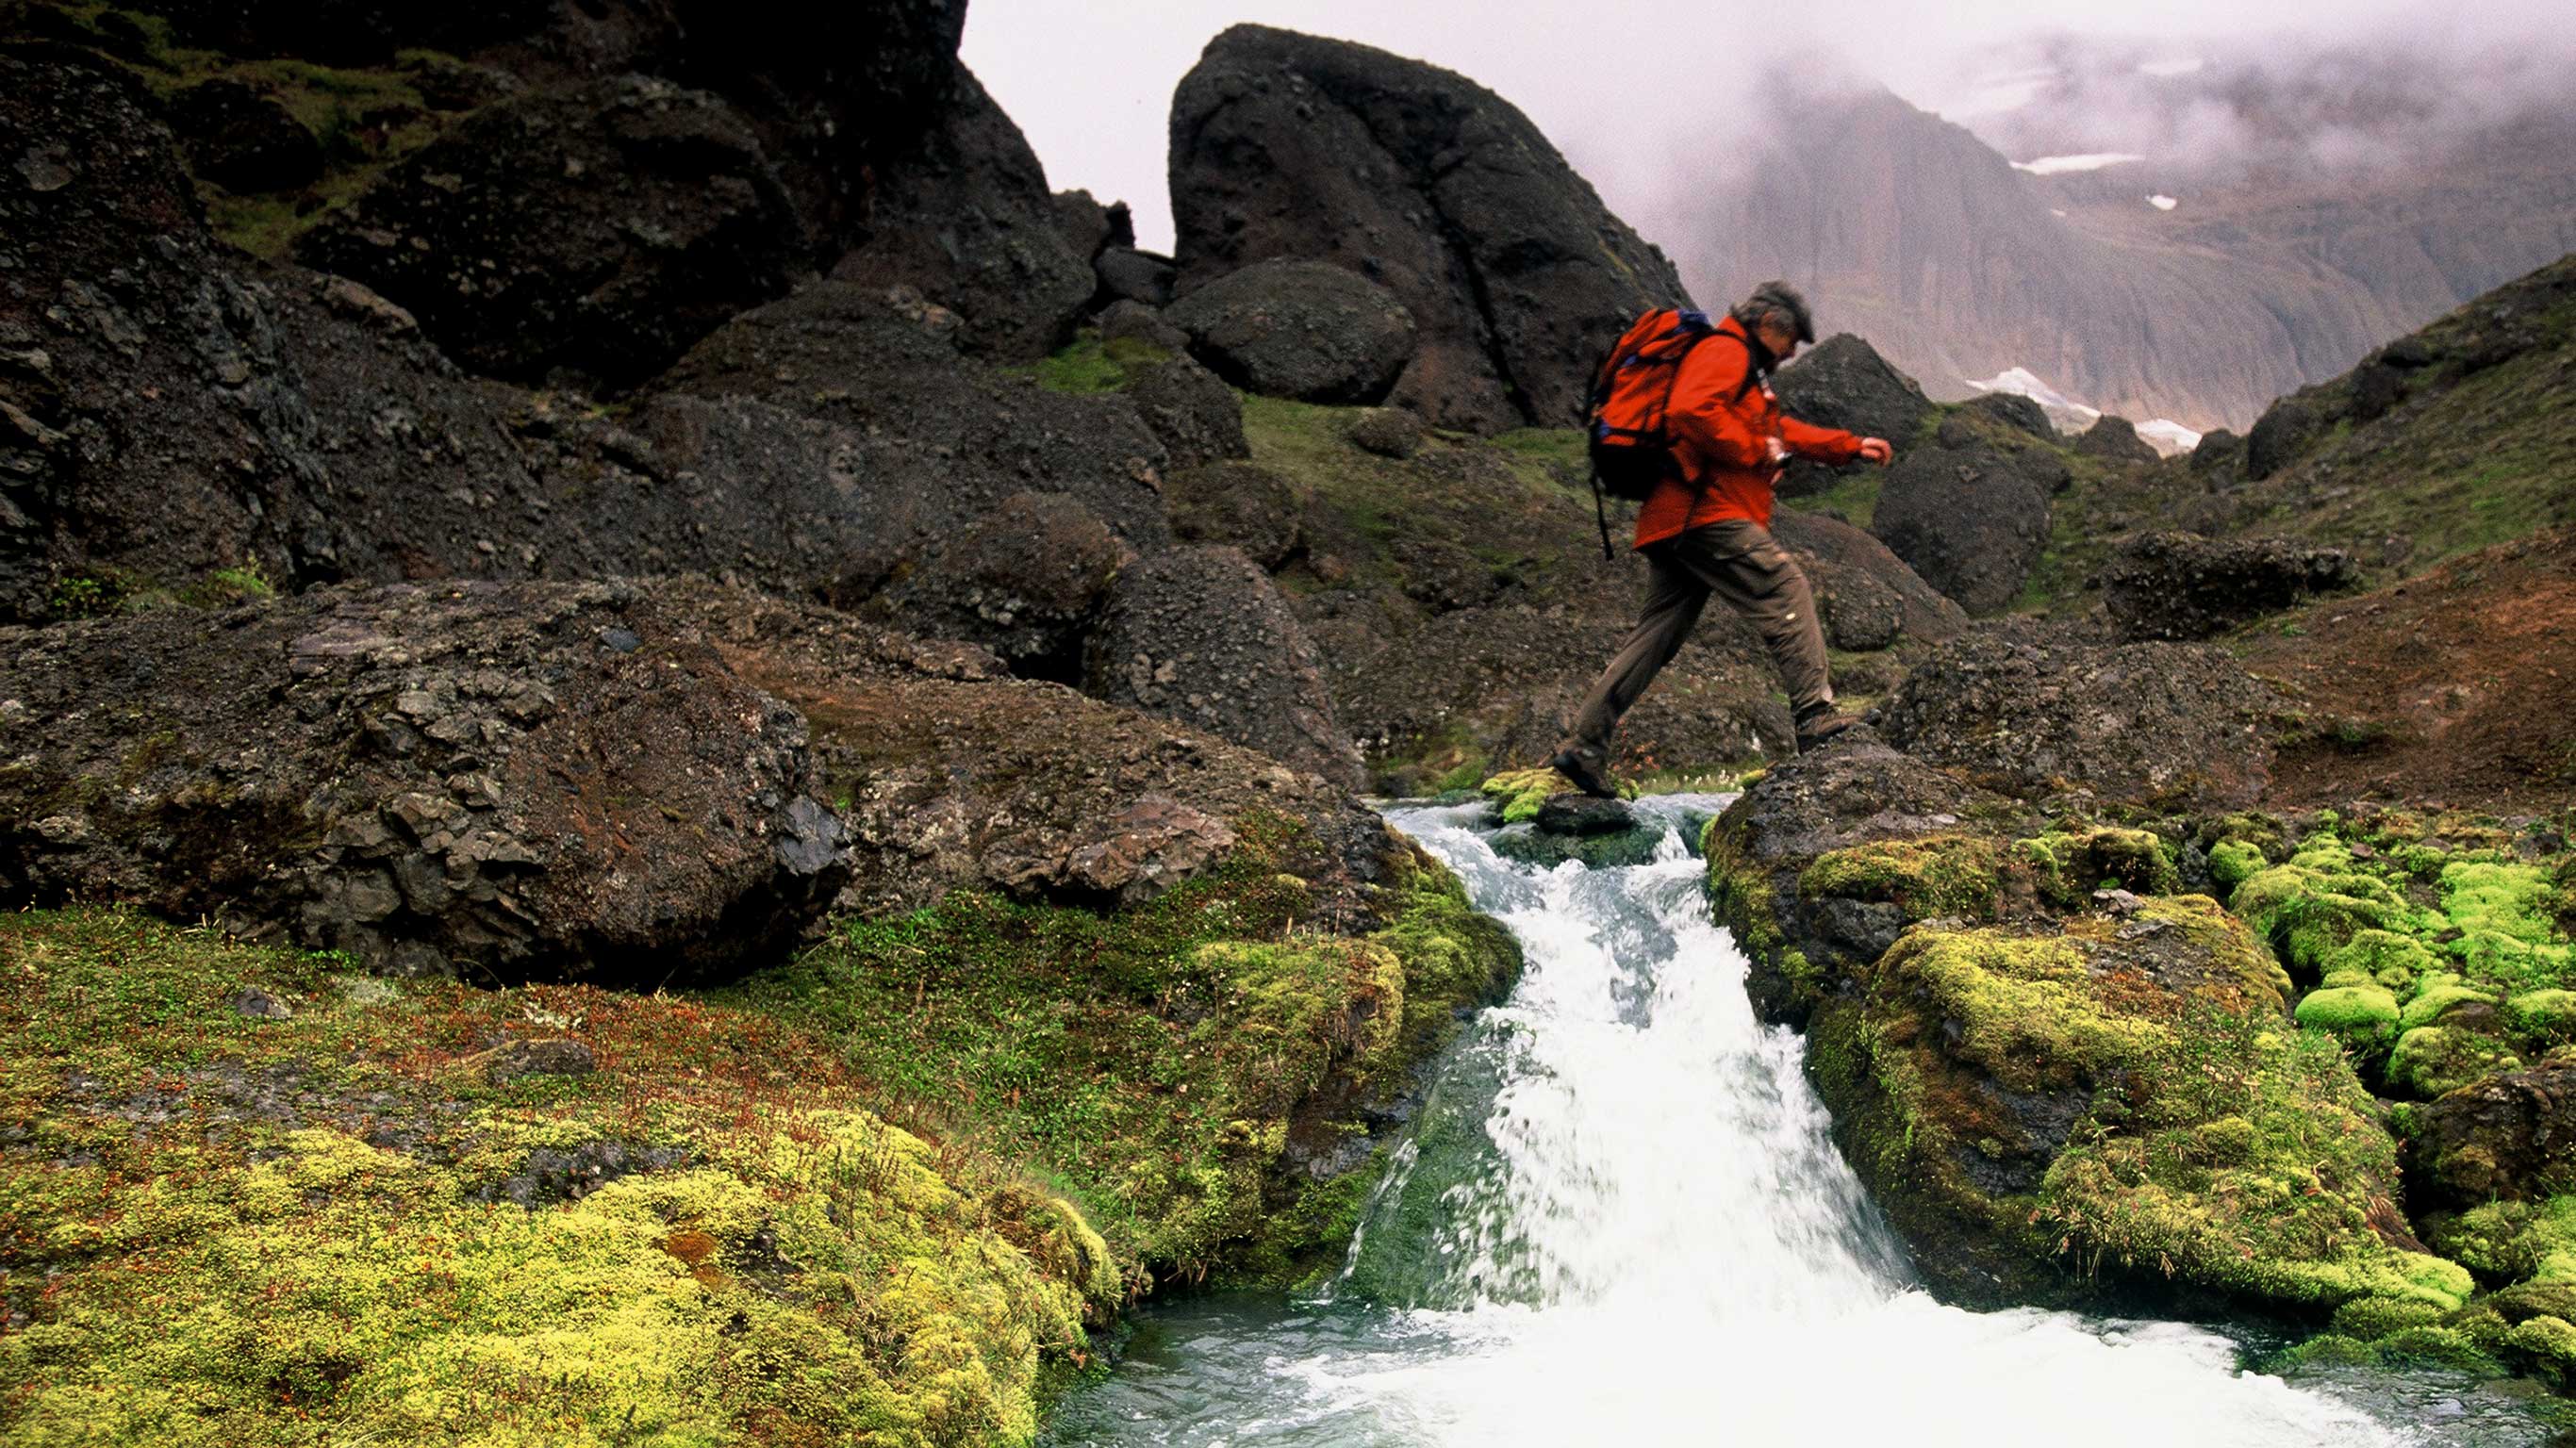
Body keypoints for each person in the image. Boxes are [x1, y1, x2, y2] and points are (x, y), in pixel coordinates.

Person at [1549, 281, 1893, 798]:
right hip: (1703, 513)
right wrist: (1758, 452)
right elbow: (1693, 411)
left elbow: (1782, 432)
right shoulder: (1725, 351)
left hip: (1676, 520)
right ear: (1770, 325)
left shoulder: (1743, 371)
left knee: (1655, 637)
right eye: (1792, 339)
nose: (1793, 352)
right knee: (1784, 588)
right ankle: (1815, 717)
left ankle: (1584, 747)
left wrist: (1847, 447)